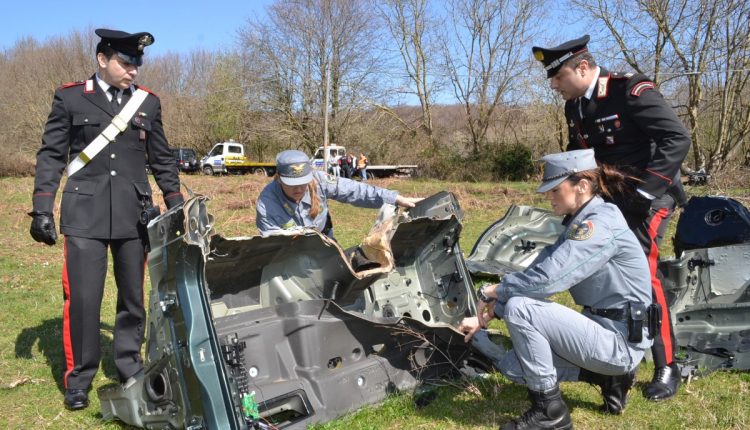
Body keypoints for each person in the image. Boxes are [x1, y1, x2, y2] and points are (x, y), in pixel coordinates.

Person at [28, 28, 184, 411]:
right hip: (84, 215)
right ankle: (79, 377)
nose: (134, 70)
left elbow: (162, 158)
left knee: (133, 298)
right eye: (126, 62)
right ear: (103, 59)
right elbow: (51, 155)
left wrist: (175, 202)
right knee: (83, 299)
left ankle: (129, 366)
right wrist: (42, 207)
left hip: (134, 215)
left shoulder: (148, 104)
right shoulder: (69, 97)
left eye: (138, 63)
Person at [532, 34, 691, 401]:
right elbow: (581, 159)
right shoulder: (575, 106)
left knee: (644, 273)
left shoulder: (630, 91)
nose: (554, 86)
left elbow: (676, 139)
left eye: (558, 78)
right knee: (597, 268)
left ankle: (667, 364)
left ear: (583, 68)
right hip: (608, 198)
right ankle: (614, 357)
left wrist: (645, 194)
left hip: (649, 196)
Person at [458, 149, 654, 430]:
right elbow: (539, 269)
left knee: (521, 309)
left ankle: (550, 412)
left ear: (582, 186)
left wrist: (493, 291)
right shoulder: (580, 221)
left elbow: (549, 280)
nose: (548, 197)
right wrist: (490, 314)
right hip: (604, 327)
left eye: (555, 190)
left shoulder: (599, 224)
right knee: (515, 366)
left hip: (619, 341)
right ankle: (607, 377)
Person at [256, 150, 419, 238]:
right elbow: (272, 243)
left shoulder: (319, 180)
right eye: (292, 184)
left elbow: (355, 191)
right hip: (290, 257)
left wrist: (394, 198)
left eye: (302, 182)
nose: (298, 189)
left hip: (327, 246)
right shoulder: (267, 203)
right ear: (279, 179)